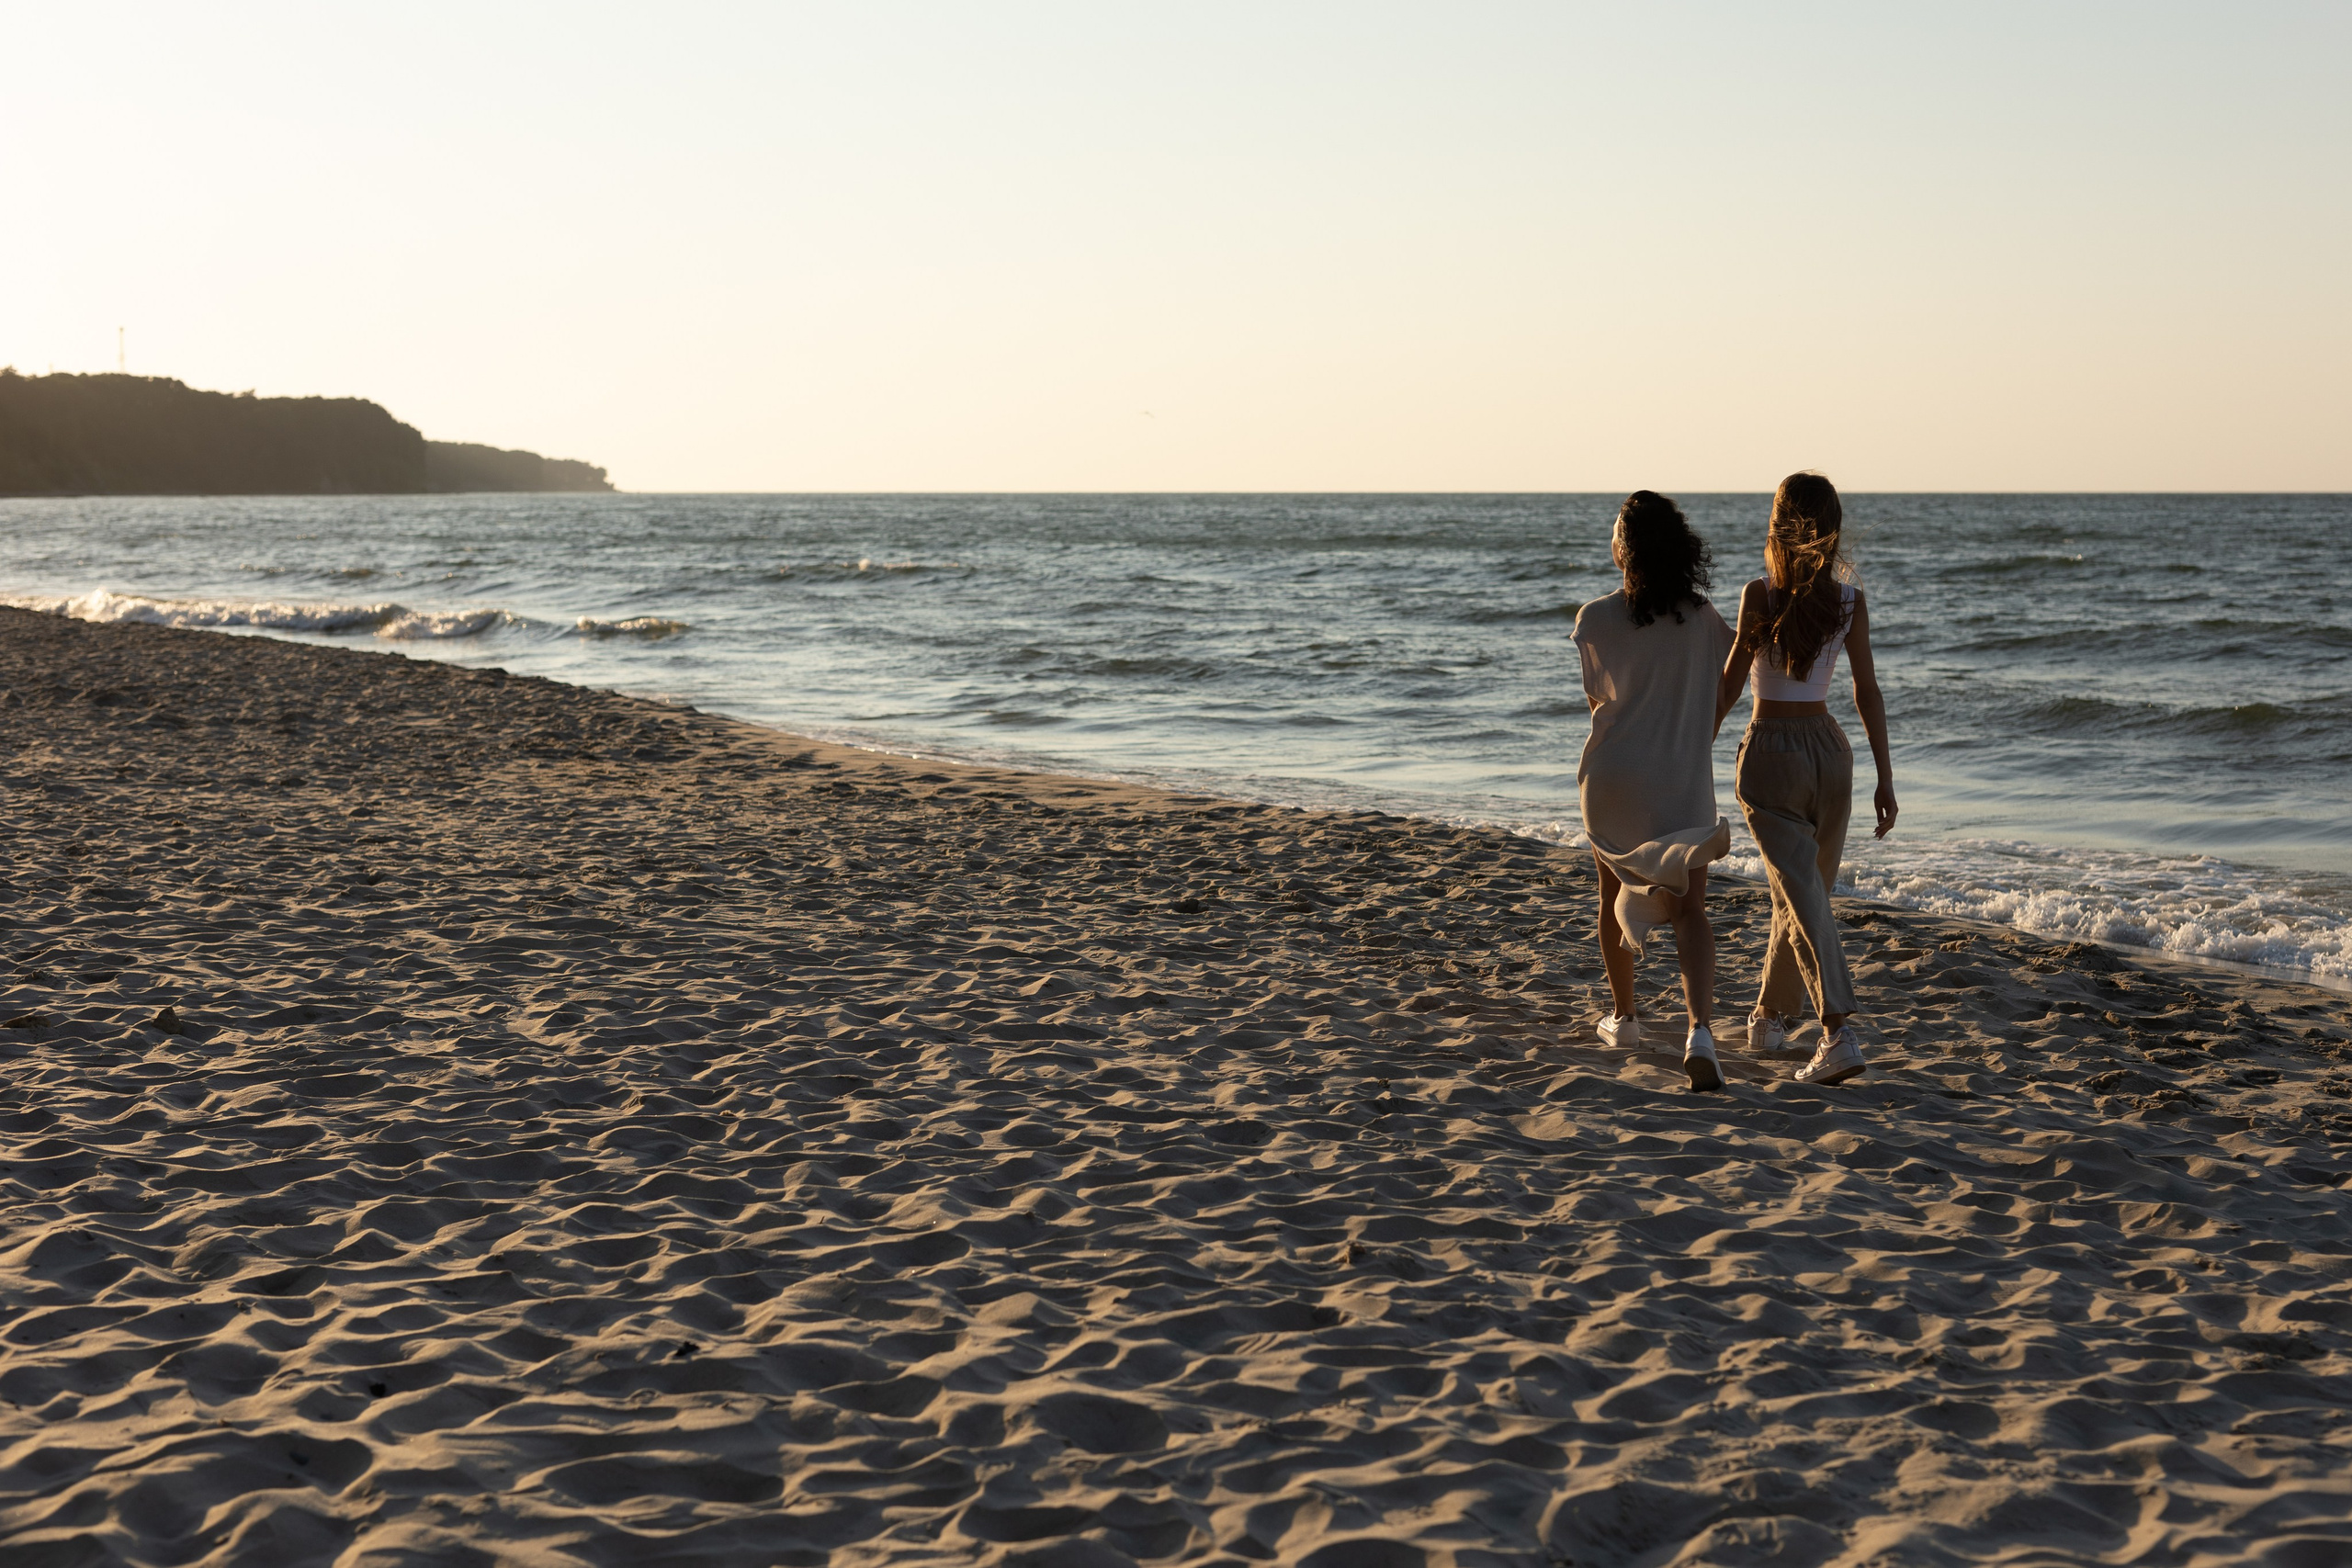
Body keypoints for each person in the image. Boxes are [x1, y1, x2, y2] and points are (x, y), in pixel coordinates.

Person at [1714, 471, 1896, 1086]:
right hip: (1831, 755)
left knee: (1802, 894)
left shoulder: (1759, 594)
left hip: (1771, 753)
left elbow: (1734, 680)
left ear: (1778, 527)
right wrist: (1884, 776)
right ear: (1833, 530)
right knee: (1800, 891)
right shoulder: (1850, 600)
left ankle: (1837, 1029)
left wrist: (1693, 744)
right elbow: (1865, 690)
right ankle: (1769, 1013)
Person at [1573, 491, 1734, 1091]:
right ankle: (1699, 1031)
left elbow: (1600, 703)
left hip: (1613, 777)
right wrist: (1703, 731)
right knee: (1691, 907)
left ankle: (1626, 1017)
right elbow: (1730, 676)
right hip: (1683, 777)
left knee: (1612, 885)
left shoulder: (1594, 619)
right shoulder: (1704, 616)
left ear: (1627, 549)